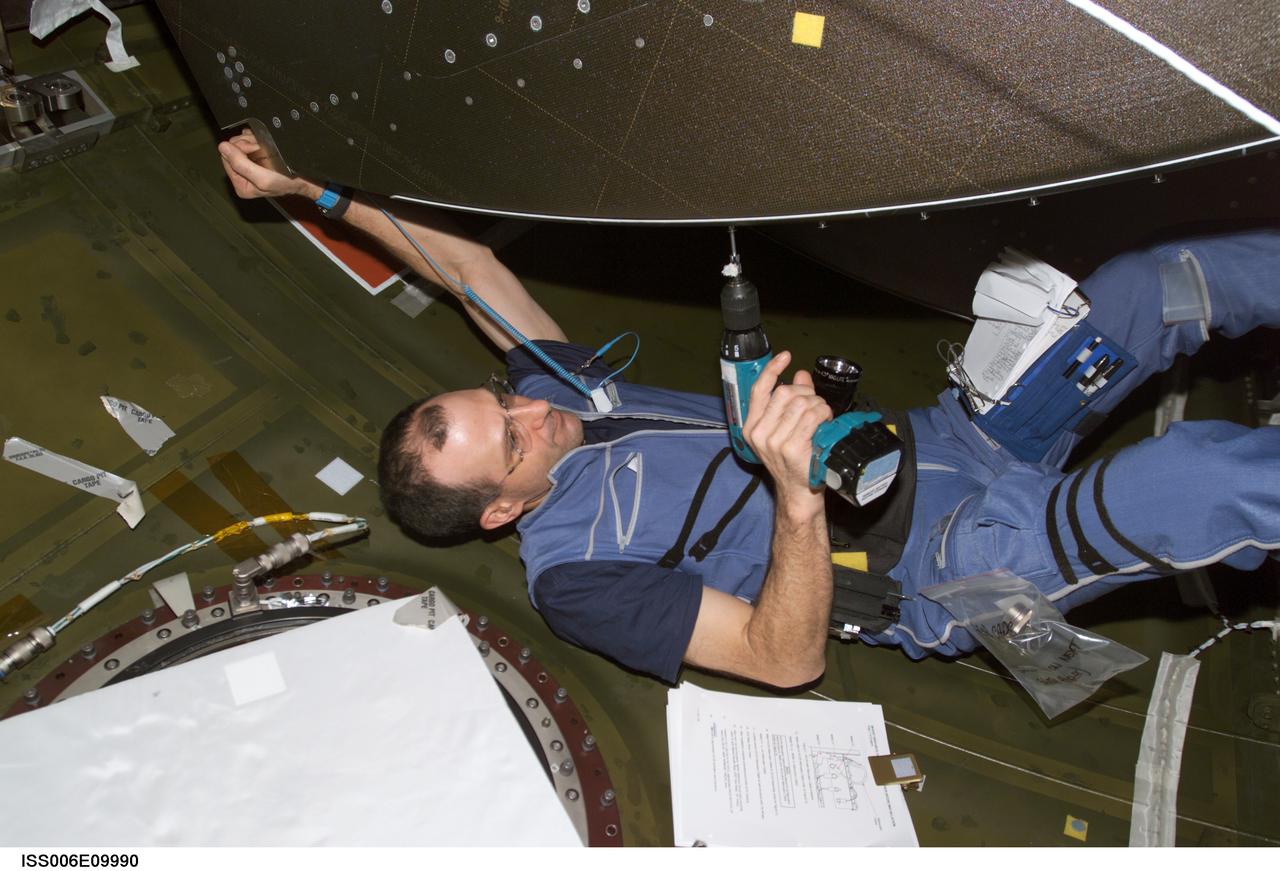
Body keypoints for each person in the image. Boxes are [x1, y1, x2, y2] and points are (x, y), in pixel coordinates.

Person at [218, 131, 1280, 689]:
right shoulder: (576, 578)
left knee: (1149, 287)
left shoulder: (557, 397)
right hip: (945, 559)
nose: (532, 409)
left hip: (951, 437)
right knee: (1187, 477)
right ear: (500, 510)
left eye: (503, 395)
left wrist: (309, 191)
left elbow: (465, 269)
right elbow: (784, 659)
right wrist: (797, 503)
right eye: (511, 436)